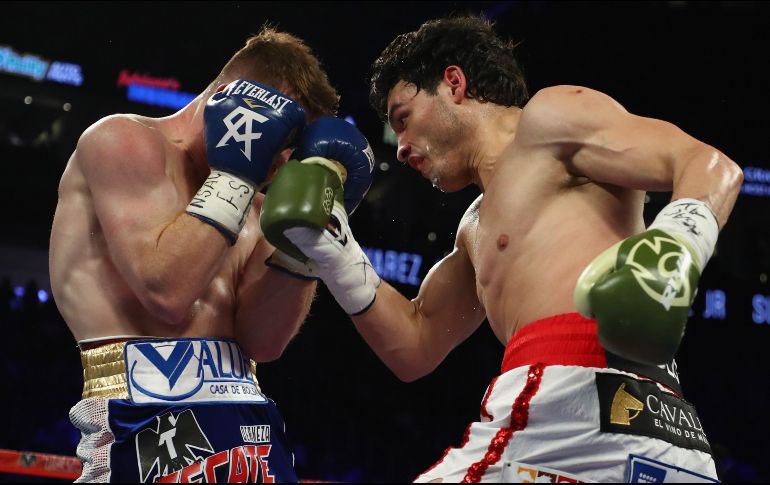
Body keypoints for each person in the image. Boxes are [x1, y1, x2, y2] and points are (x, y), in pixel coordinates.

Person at [267, 16, 743, 483]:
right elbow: (415, 346)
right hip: (664, 440)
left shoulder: (549, 119)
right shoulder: (473, 228)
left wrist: (675, 247)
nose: (403, 148)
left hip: (569, 407)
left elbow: (707, 163)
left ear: (453, 82)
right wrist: (334, 249)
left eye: (404, 119)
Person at [49, 26, 356, 483]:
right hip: (146, 433)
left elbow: (264, 344)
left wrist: (308, 242)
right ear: (237, 100)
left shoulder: (260, 205)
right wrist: (236, 175)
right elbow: (167, 292)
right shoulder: (122, 142)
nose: (281, 163)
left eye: (294, 149)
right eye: (281, 138)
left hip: (254, 440)